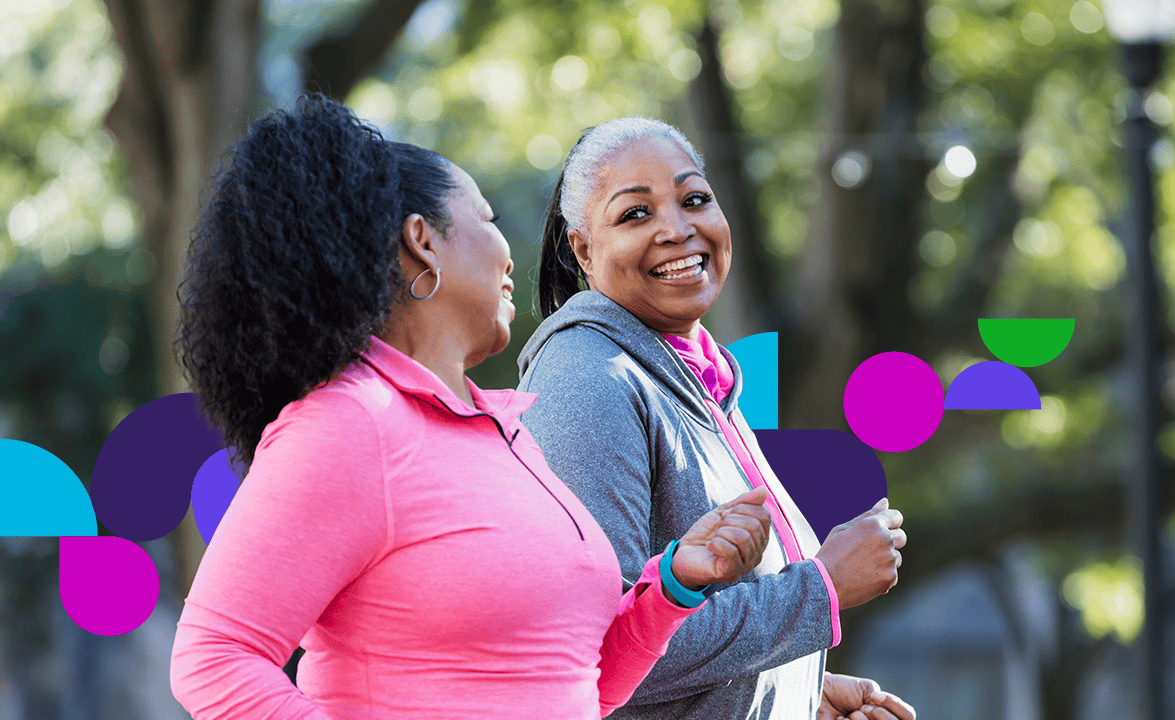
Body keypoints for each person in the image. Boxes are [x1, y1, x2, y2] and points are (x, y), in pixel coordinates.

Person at [168, 95, 776, 720]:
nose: (510, 251)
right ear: (423, 243)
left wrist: (673, 586)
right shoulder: (349, 424)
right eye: (486, 219)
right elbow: (215, 657)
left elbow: (577, 682)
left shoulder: (506, 435)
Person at [516, 118, 916, 720]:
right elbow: (598, 650)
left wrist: (797, 693)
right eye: (635, 215)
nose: (677, 229)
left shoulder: (700, 378)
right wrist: (822, 588)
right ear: (582, 249)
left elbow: (698, 630)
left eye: (694, 199)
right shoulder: (587, 379)